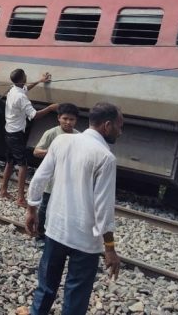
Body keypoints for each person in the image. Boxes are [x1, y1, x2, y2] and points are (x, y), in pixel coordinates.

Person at [24, 103, 123, 315]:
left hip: (56, 230)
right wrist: (110, 248)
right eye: (119, 125)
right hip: (85, 242)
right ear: (107, 125)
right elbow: (103, 207)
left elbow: (39, 178)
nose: (120, 131)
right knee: (75, 298)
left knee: (45, 288)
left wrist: (31, 209)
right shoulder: (105, 158)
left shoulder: (61, 141)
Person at [0, 69, 59, 207]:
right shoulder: (21, 97)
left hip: (8, 131)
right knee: (23, 165)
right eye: (25, 76)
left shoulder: (13, 89)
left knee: (9, 162)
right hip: (16, 134)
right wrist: (50, 108)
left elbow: (25, 88)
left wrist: (39, 80)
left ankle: (3, 190)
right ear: (23, 78)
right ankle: (20, 198)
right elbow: (34, 115)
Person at [32, 103, 80, 243]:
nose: (68, 122)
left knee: (63, 209)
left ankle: (56, 236)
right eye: (65, 118)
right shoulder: (52, 133)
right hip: (51, 181)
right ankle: (40, 235)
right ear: (59, 118)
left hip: (68, 180)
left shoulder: (79, 136)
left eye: (71, 119)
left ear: (76, 120)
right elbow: (36, 151)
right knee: (45, 208)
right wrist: (53, 152)